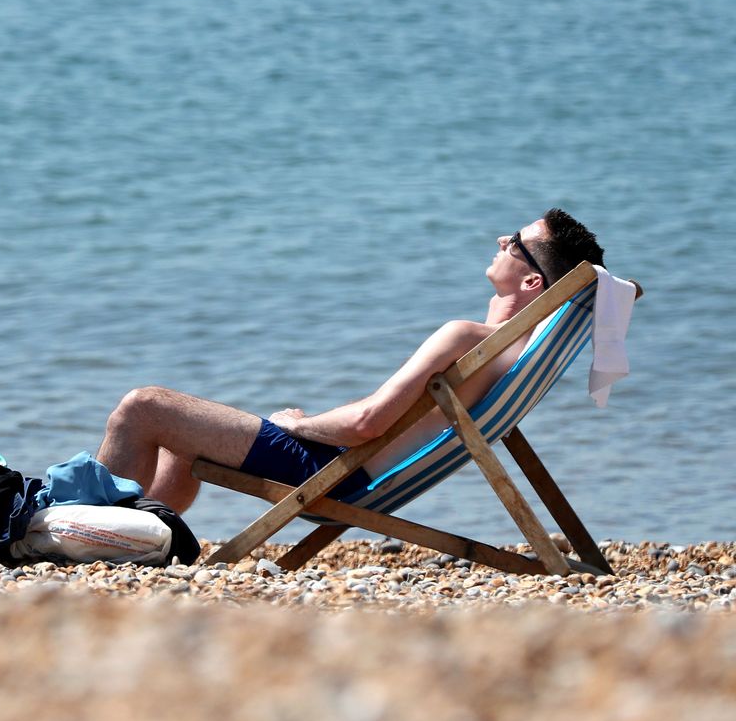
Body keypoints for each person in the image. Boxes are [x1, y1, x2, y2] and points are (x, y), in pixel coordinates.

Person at [94, 208, 606, 514]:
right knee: (184, 435)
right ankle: (139, 536)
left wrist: (298, 426)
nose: (501, 240)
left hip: (334, 472)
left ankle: (83, 531)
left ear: (532, 282)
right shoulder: (505, 353)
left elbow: (366, 423)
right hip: (357, 474)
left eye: (515, 243)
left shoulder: (467, 336)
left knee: (143, 407)